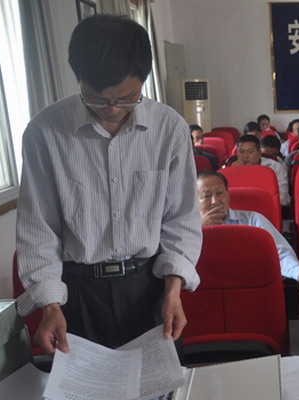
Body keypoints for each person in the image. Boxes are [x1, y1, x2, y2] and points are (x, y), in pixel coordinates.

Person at [16, 14, 202, 352]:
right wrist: (50, 307)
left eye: (128, 97)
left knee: (158, 384)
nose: (113, 109)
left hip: (150, 287)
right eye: (98, 98)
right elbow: (38, 228)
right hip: (78, 293)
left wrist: (173, 290)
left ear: (143, 81)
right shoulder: (45, 132)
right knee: (84, 386)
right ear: (79, 79)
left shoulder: (169, 129)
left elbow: (181, 220)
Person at [197, 172, 299, 300]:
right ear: (195, 201)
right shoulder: (188, 229)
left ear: (228, 196)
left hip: (250, 289)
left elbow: (279, 253)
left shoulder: (253, 220)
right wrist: (200, 229)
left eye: (220, 193)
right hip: (204, 292)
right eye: (206, 196)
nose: (215, 201)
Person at [230, 134, 290, 207]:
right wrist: (232, 175)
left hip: (268, 207)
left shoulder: (275, 167)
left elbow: (284, 199)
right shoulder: (231, 169)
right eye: (241, 151)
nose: (245, 156)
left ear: (259, 153)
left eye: (250, 151)